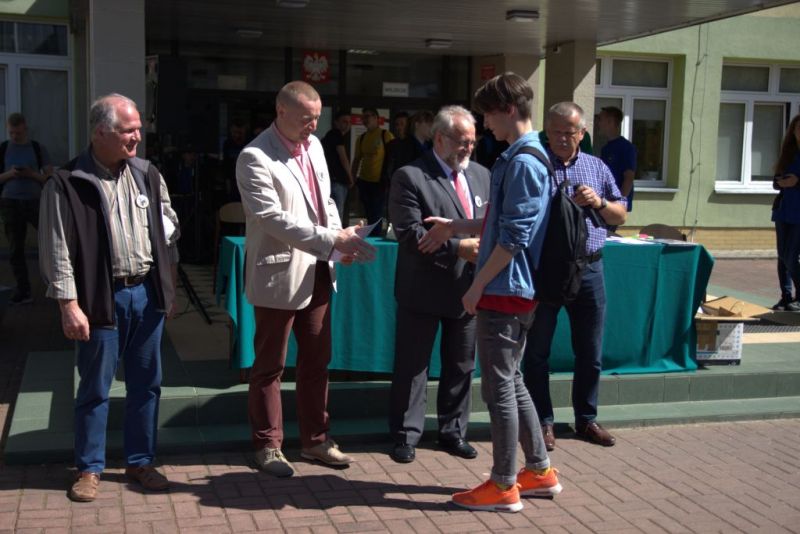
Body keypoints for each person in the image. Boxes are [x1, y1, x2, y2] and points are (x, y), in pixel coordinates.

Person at [420, 73, 562, 512]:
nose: (485, 126)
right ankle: (538, 470)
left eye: (488, 116)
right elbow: (502, 222)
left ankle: (503, 484)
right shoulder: (527, 156)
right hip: (516, 288)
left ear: (508, 110)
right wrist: (454, 226)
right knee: (512, 381)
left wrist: (477, 285)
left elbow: (513, 237)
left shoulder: (522, 162)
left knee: (499, 389)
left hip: (505, 289)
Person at [38, 94, 180, 502]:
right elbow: (56, 249)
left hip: (146, 295)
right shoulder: (67, 182)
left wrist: (167, 285)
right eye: (128, 131)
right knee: (95, 389)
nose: (137, 137)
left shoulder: (147, 173)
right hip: (101, 298)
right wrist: (68, 305)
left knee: (147, 385)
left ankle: (140, 462)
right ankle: (89, 468)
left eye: (138, 129)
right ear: (101, 132)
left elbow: (168, 225)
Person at [236, 81, 376, 478]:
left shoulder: (314, 146)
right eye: (305, 119)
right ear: (281, 111)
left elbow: (324, 201)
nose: (313, 126)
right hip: (279, 272)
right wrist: (331, 240)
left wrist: (340, 240)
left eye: (316, 118)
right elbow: (273, 219)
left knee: (317, 360)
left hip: (319, 270)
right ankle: (268, 445)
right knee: (270, 365)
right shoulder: (254, 156)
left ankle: (315, 440)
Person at [387, 105, 489, 464]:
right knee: (413, 366)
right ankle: (405, 435)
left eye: (472, 142)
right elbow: (410, 234)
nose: (468, 149)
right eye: (462, 142)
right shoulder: (410, 176)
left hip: (467, 289)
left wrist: (475, 246)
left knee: (461, 365)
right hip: (423, 288)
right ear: (440, 138)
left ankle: (453, 431)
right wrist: (459, 247)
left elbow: (489, 223)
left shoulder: (482, 175)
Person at [523, 102, 627, 451]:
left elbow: (621, 215)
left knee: (590, 350)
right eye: (555, 132)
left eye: (569, 132)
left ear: (582, 133)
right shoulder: (535, 165)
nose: (562, 139)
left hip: (589, 268)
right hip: (547, 270)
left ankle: (586, 419)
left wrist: (598, 202)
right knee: (537, 351)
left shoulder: (596, 167)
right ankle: (542, 421)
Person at [0, 113, 53, 304]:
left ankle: (58, 284)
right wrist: (11, 174)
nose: (15, 136)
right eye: (12, 133)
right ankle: (23, 290)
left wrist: (31, 174)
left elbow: (49, 178)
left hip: (34, 201)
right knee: (16, 249)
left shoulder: (37, 149)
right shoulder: (4, 149)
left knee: (51, 243)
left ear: (25, 129)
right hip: (10, 202)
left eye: (18, 133)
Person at [771, 114, 800, 312]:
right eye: (798, 128)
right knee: (782, 256)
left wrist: (797, 182)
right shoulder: (788, 153)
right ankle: (786, 297)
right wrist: (781, 181)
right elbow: (775, 182)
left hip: (799, 213)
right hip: (783, 210)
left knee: (791, 256)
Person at [351, 107, 393, 235]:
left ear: (376, 118)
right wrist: (352, 179)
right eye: (363, 117)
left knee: (376, 213)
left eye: (368, 116)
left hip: (379, 182)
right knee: (368, 214)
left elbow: (393, 157)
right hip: (364, 182)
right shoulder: (361, 138)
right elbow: (357, 160)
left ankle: (376, 239)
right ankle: (371, 239)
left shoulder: (385, 135)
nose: (365, 119)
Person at [597, 106, 636, 214]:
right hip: (606, 203)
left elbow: (628, 178)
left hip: (615, 206)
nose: (598, 123)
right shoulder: (605, 149)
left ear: (610, 122)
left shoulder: (626, 147)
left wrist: (619, 203)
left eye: (600, 119)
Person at [383, 110, 434, 184]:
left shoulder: (432, 146)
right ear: (417, 125)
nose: (432, 128)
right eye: (429, 124)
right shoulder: (403, 147)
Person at [321, 111, 354, 223]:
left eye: (349, 122)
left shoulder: (329, 136)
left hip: (331, 180)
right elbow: (343, 158)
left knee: (332, 213)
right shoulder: (336, 134)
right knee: (337, 214)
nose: (347, 124)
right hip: (337, 181)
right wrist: (350, 177)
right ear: (336, 122)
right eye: (344, 121)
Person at [223, 120, 247, 201]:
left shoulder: (249, 143)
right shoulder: (228, 144)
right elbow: (226, 164)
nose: (237, 135)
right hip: (232, 179)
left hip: (246, 179)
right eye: (234, 132)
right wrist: (227, 182)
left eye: (239, 132)